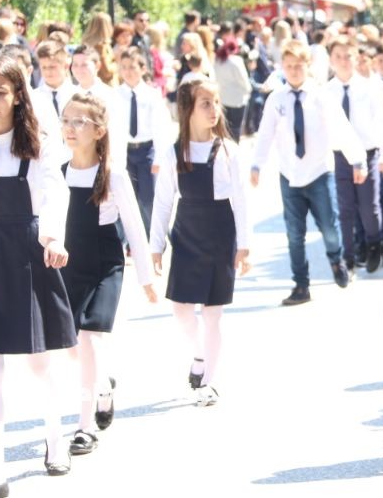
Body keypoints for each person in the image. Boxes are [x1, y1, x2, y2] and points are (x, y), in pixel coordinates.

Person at [0, 52, 77, 498]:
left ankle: (55, 439)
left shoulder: (37, 143)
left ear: (19, 96)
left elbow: (56, 191)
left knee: (40, 363)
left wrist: (53, 238)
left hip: (26, 250)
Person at [59, 93, 157, 455]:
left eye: (79, 121)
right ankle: (103, 388)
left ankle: (84, 427)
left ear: (99, 131)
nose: (70, 127)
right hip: (69, 265)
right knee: (74, 349)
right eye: (66, 120)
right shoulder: (59, 172)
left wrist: (146, 277)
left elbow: (134, 226)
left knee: (90, 340)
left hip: (105, 264)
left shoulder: (112, 174)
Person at [151, 78, 251, 406]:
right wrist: (156, 245)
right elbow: (163, 201)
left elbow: (241, 200)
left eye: (216, 102)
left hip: (220, 232)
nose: (214, 109)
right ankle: (199, 354)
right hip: (187, 233)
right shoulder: (173, 152)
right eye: (205, 103)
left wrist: (244, 245)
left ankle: (208, 381)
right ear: (188, 108)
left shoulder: (228, 150)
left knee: (212, 314)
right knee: (181, 310)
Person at [250, 39, 366, 306]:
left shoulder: (320, 96)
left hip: (319, 172)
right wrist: (257, 164)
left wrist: (357, 160)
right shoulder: (276, 99)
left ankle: (336, 260)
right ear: (282, 66)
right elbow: (265, 134)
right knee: (294, 234)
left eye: (298, 65)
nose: (293, 70)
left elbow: (341, 128)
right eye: (289, 66)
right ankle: (301, 284)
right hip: (289, 175)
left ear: (307, 66)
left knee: (329, 227)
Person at [326, 36, 383, 274]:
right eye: (338, 56)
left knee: (369, 206)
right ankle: (349, 254)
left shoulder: (369, 88)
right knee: (344, 208)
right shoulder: (326, 91)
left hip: (368, 152)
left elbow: (382, 121)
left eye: (348, 56)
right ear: (331, 60)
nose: (343, 61)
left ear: (356, 58)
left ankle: (374, 244)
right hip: (339, 156)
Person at [116, 47, 171, 236]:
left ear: (143, 69)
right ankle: (131, 239)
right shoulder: (116, 95)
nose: (128, 72)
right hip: (124, 151)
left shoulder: (152, 95)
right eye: (124, 67)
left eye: (132, 67)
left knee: (148, 198)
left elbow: (161, 127)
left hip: (146, 150)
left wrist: (159, 158)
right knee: (127, 198)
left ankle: (154, 236)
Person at [214, 37, 251, 143]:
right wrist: (248, 91)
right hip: (237, 100)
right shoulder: (236, 61)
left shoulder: (217, 61)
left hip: (222, 98)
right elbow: (243, 80)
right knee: (235, 128)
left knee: (224, 128)